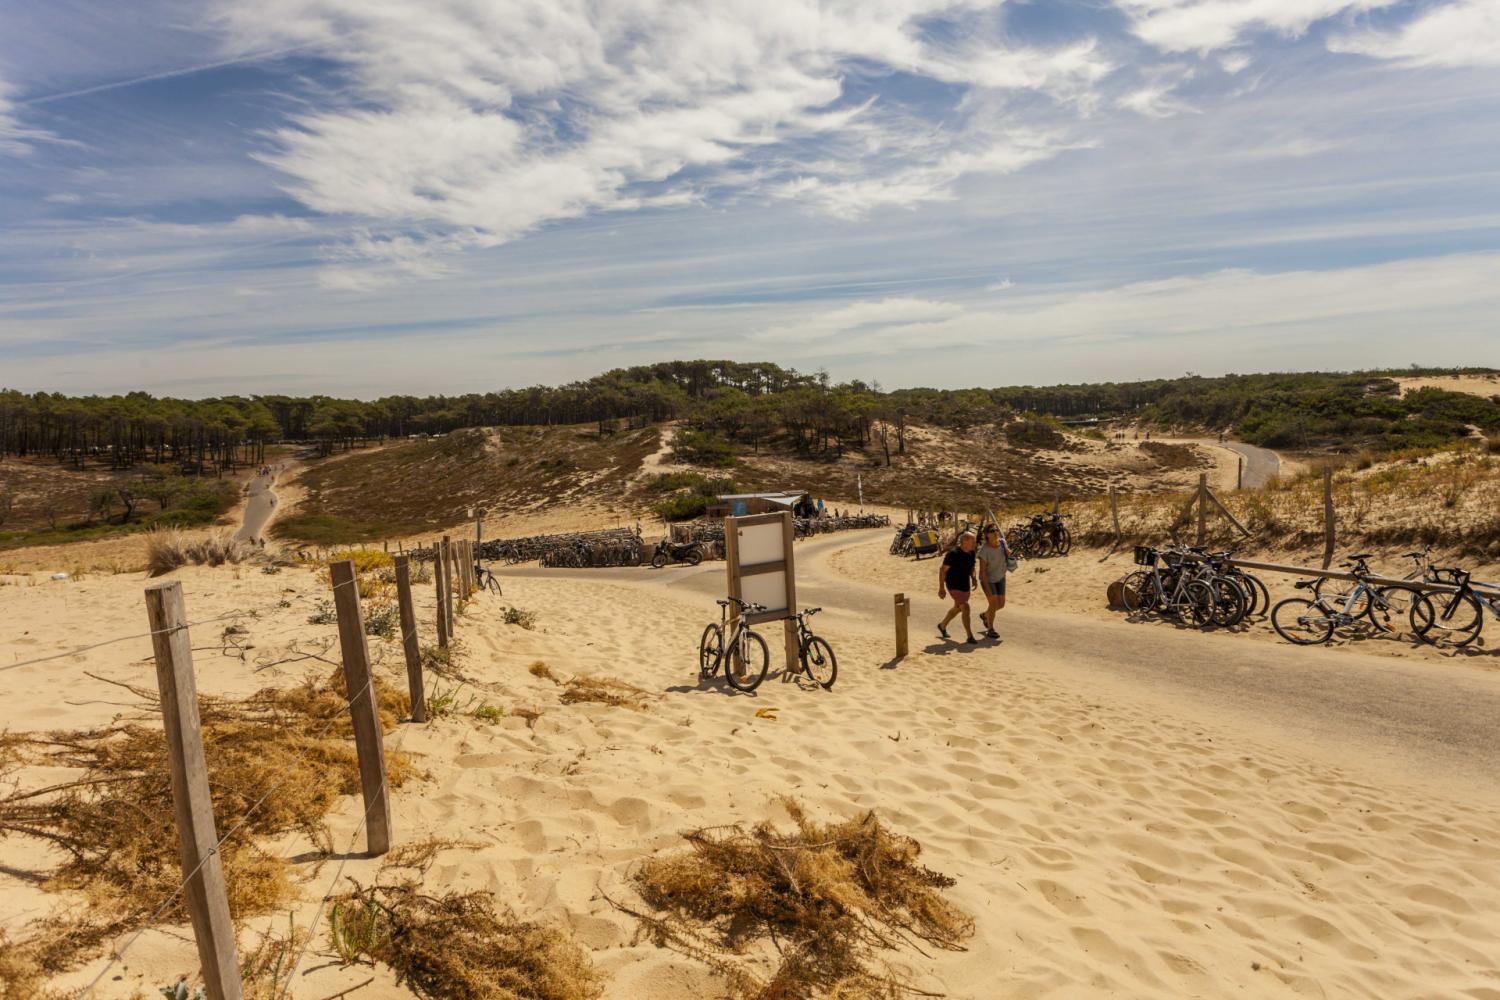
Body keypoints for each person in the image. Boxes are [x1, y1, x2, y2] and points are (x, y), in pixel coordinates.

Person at [937, 531, 979, 643]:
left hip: (965, 584)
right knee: (965, 607)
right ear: (964, 541)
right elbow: (942, 570)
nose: (975, 543)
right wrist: (941, 588)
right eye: (972, 541)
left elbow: (972, 567)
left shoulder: (972, 552)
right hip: (953, 584)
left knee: (958, 608)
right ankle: (970, 636)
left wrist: (974, 578)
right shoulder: (953, 553)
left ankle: (942, 625)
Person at [976, 525, 1010, 640]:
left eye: (996, 530)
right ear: (987, 535)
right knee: (993, 603)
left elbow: (1007, 556)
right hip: (988, 580)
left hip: (1001, 577)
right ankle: (990, 629)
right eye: (992, 531)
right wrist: (987, 589)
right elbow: (982, 571)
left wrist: (1008, 552)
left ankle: (985, 615)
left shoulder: (1002, 542)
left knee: (1001, 605)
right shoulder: (984, 551)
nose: (995, 532)